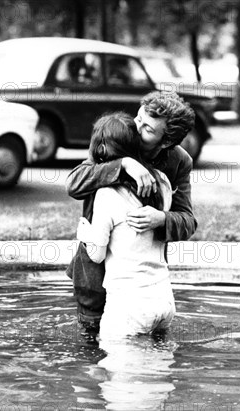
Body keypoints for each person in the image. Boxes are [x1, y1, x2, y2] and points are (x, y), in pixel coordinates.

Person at [66, 91, 197, 331]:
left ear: (166, 141)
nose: (135, 128)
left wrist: (161, 219)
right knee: (92, 353)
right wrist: (122, 164)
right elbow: (74, 183)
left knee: (152, 357)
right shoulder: (117, 137)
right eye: (138, 119)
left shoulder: (179, 162)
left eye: (147, 128)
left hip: (141, 283)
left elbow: (188, 221)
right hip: (94, 275)